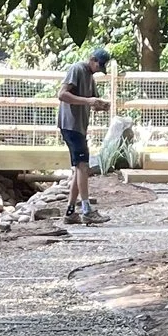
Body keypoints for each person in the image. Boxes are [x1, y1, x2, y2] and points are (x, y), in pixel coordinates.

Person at [56, 44, 112, 224]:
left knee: (79, 169)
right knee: (83, 166)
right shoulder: (77, 69)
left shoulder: (90, 77)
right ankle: (86, 209)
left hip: (79, 126)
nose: (98, 70)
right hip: (70, 125)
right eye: (99, 65)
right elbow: (62, 94)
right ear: (92, 59)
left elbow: (92, 103)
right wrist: (89, 100)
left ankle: (70, 212)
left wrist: (101, 105)